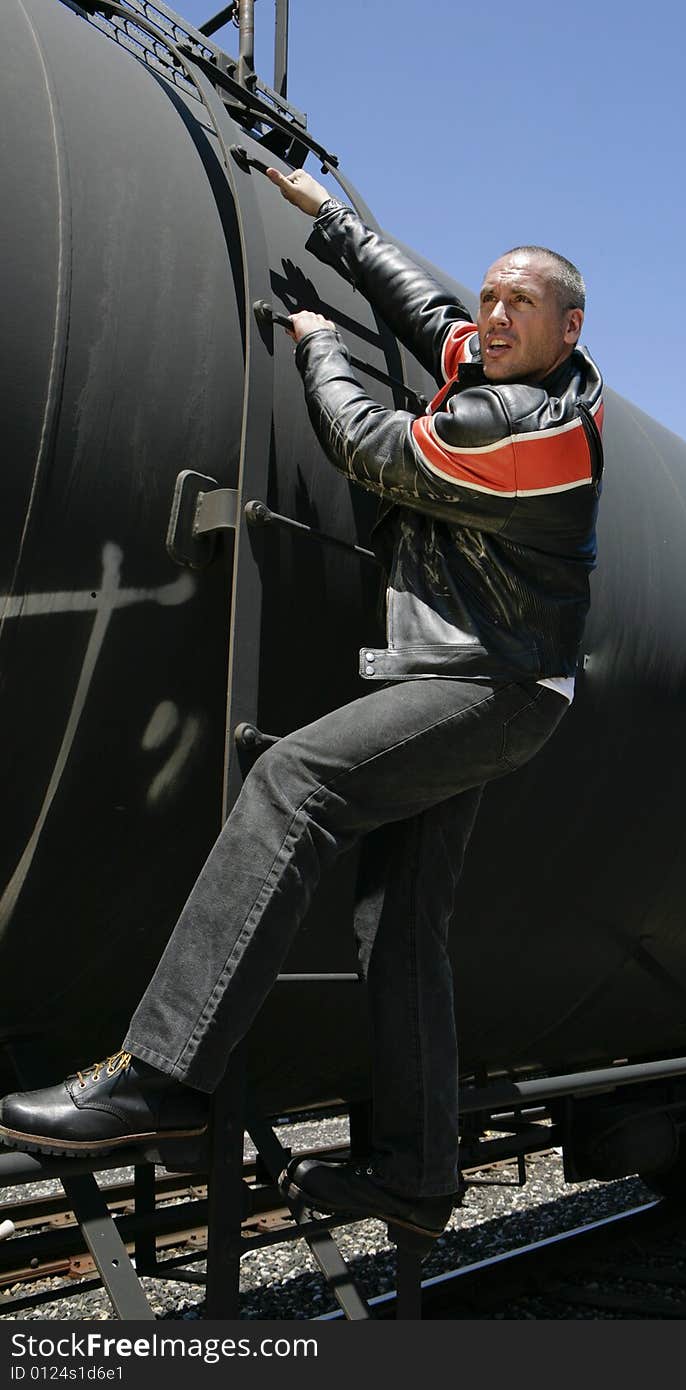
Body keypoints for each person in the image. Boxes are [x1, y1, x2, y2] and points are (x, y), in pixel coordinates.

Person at [0, 167, 604, 1243]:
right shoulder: (499, 360)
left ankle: (165, 1076)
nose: (492, 314)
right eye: (490, 296)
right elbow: (429, 316)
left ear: (571, 325)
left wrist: (319, 345)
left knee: (296, 780)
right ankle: (418, 1176)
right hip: (470, 676)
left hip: (486, 682)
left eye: (520, 303)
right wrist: (333, 219)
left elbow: (368, 447)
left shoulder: (528, 432)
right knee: (400, 924)